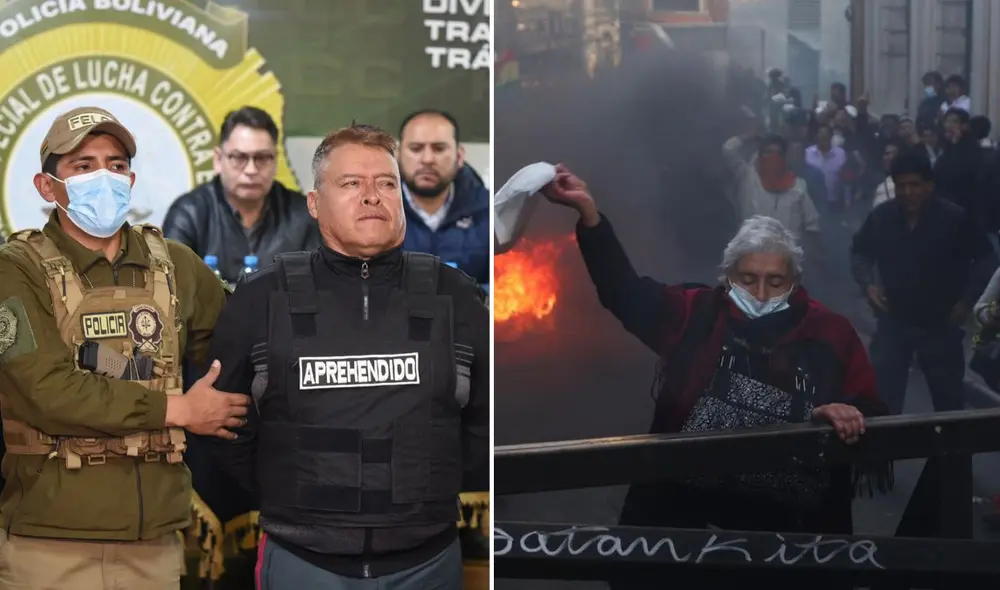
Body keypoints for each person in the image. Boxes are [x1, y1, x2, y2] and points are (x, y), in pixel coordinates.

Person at [542, 164, 888, 589]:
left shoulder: (830, 333)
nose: (761, 293)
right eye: (749, 279)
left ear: (796, 282)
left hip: (786, 533)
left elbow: (870, 409)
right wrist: (590, 216)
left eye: (775, 281)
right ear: (727, 278)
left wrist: (844, 411)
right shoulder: (696, 315)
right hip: (684, 517)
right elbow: (624, 292)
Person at [204, 123, 490, 589]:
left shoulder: (455, 295)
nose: (372, 196)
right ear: (315, 203)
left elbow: (484, 423)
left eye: (386, 183)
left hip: (426, 560)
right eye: (352, 183)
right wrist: (285, 492)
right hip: (303, 559)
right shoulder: (261, 298)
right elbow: (222, 423)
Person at [0, 106, 250, 588]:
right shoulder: (16, 269)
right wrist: (178, 410)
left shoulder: (175, 264)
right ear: (47, 186)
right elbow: (47, 391)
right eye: (83, 165)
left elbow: (239, 346)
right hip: (49, 544)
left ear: (131, 180)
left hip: (155, 542)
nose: (104, 177)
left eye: (115, 165)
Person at [852, 152, 996, 414]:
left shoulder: (955, 218)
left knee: (948, 404)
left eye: (915, 185)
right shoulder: (881, 217)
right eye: (901, 185)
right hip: (893, 321)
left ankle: (948, 442)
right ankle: (886, 441)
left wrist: (967, 300)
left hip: (941, 323)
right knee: (883, 402)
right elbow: (860, 252)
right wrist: (868, 285)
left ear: (929, 185)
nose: (908, 193)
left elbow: (986, 258)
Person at [163, 106, 321, 283]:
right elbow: (171, 288)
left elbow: (319, 287)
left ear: (275, 161)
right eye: (239, 157)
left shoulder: (302, 216)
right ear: (218, 159)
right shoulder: (189, 214)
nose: (251, 170)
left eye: (262, 158)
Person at [398, 110, 490, 285]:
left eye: (439, 148)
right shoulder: (373, 209)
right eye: (416, 149)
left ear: (459, 156)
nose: (427, 159)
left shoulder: (488, 211)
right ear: (398, 155)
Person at [722, 123, 821, 255]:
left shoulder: (798, 186)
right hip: (751, 253)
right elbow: (728, 150)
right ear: (760, 155)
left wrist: (817, 253)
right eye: (768, 152)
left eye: (778, 153)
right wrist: (748, 136)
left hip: (786, 256)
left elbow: (812, 224)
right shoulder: (748, 177)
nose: (773, 158)